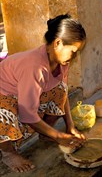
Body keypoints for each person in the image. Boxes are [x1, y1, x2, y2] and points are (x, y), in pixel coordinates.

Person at [0, 14, 87, 173]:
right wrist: (59, 136)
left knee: (59, 90)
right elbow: (27, 114)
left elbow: (63, 93)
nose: (75, 56)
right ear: (58, 43)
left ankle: (46, 133)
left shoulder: (62, 61)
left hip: (20, 93)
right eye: (73, 51)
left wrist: (70, 126)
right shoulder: (36, 67)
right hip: (3, 95)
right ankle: (8, 152)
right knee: (3, 112)